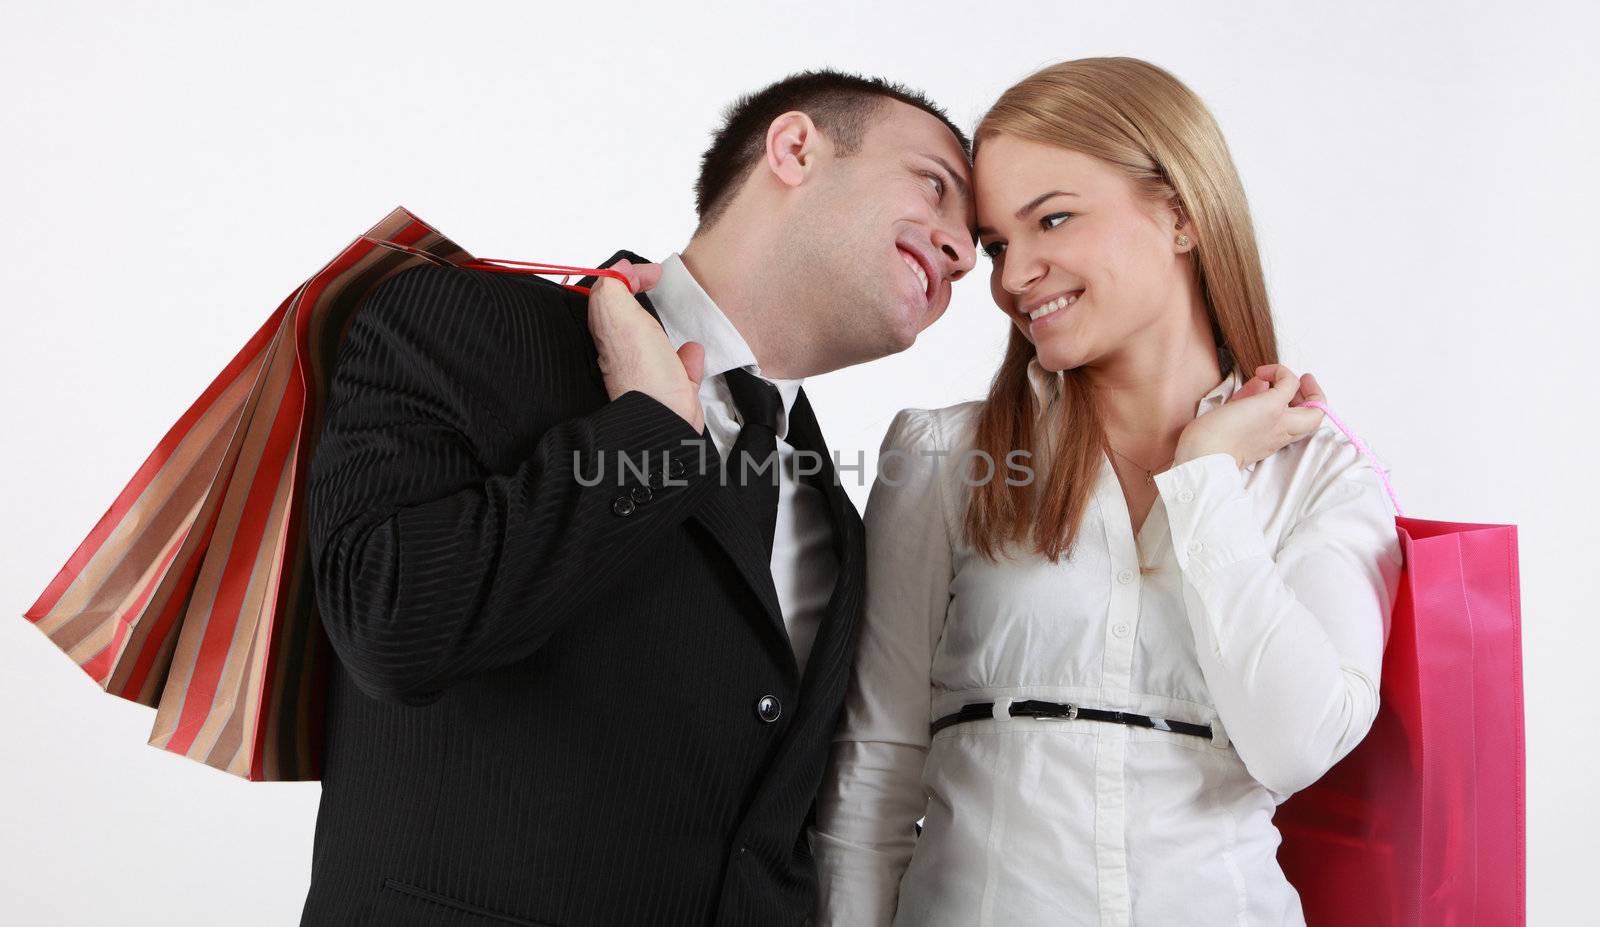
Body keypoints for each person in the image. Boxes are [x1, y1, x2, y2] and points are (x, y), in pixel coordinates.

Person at [299, 71, 976, 926]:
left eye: (974, 244)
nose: (960, 249)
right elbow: (393, 626)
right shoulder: (464, 321)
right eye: (934, 185)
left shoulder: (837, 516)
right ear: (795, 148)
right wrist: (650, 434)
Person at [812, 57, 1404, 926]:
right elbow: (875, 770)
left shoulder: (1318, 474)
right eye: (1001, 244)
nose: (1014, 279)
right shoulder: (945, 455)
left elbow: (1297, 744)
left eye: (1052, 219)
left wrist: (1204, 481)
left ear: (1180, 214)